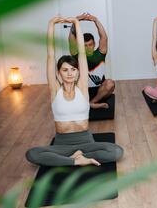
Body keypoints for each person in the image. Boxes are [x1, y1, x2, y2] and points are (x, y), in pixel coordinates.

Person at [26, 16, 123, 167]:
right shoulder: (55, 90)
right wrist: (51, 23)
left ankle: (72, 159)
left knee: (117, 151)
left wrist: (77, 23)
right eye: (65, 70)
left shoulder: (82, 88)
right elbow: (51, 55)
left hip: (85, 141)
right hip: (62, 143)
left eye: (73, 69)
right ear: (58, 74)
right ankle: (77, 160)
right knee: (32, 154)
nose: (70, 73)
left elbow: (82, 54)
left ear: (78, 72)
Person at [69, 12, 115, 109]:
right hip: (83, 90)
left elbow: (104, 38)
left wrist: (96, 20)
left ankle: (90, 103)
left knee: (110, 84)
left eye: (90, 45)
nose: (88, 47)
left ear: (94, 44)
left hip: (100, 91)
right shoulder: (77, 55)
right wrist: (76, 20)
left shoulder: (100, 54)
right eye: (85, 46)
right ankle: (90, 104)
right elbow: (71, 38)